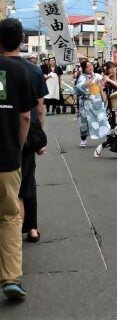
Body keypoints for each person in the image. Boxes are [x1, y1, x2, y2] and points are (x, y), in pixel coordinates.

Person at [1, 18, 47, 246]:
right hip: (26, 133)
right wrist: (38, 138)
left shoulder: (3, 69)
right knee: (27, 182)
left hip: (5, 133)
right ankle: (32, 229)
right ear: (22, 39)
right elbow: (37, 109)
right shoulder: (33, 70)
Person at [0, 41, 35, 300]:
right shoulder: (14, 70)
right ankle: (11, 278)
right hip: (6, 155)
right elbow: (26, 116)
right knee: (9, 216)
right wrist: (19, 146)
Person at [75, 60, 111, 148]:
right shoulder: (82, 77)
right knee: (84, 121)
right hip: (86, 102)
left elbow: (102, 86)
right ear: (84, 69)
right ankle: (83, 139)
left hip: (97, 101)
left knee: (102, 119)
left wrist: (103, 81)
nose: (91, 67)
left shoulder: (98, 75)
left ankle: (108, 138)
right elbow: (80, 87)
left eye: (91, 65)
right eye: (88, 67)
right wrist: (92, 78)